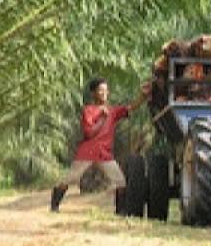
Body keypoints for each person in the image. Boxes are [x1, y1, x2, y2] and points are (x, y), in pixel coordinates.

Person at [50, 77, 150, 212]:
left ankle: (120, 212)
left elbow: (131, 107)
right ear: (93, 93)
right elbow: (89, 133)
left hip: (104, 154)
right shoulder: (89, 111)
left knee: (120, 182)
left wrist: (143, 96)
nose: (104, 93)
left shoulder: (112, 111)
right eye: (101, 90)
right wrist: (102, 118)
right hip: (88, 152)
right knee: (70, 179)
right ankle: (54, 206)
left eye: (106, 90)